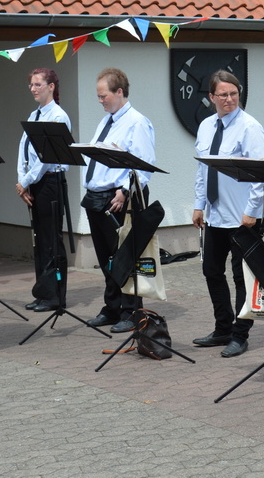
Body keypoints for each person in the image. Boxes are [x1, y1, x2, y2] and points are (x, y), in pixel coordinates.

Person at [191, 71, 264, 358]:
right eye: (223, 95)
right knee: (211, 271)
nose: (229, 99)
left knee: (241, 277)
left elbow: (260, 174)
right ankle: (222, 328)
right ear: (211, 97)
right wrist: (199, 204)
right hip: (215, 214)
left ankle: (240, 334)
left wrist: (251, 212)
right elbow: (202, 170)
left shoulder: (250, 127)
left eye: (234, 93)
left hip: (241, 217)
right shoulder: (205, 126)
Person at [81, 68, 156, 334]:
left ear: (119, 92)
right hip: (96, 198)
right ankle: (112, 307)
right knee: (106, 258)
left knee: (124, 257)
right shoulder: (107, 121)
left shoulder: (137, 122)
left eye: (103, 96)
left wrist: (125, 190)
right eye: (98, 96)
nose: (100, 100)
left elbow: (145, 165)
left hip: (119, 198)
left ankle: (131, 310)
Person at [15, 68, 72, 313]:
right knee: (39, 240)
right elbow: (23, 149)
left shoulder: (58, 116)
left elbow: (46, 157)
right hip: (35, 183)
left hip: (50, 182)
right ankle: (42, 292)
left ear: (51, 86)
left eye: (38, 84)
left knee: (51, 241)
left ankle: (55, 296)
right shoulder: (35, 114)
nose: (33, 89)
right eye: (31, 84)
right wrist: (22, 180)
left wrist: (27, 180)